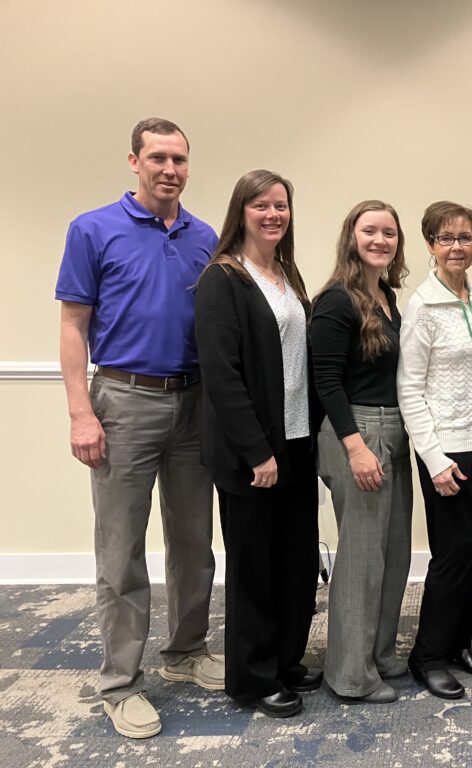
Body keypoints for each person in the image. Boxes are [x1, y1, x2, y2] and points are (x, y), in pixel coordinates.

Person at [55, 118, 221, 739]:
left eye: (179, 159)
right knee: (121, 549)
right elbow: (73, 325)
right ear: (134, 161)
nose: (169, 169)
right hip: (123, 401)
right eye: (158, 158)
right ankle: (121, 683)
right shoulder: (93, 229)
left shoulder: (205, 236)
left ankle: (186, 652)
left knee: (194, 541)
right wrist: (81, 411)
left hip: (194, 402)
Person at [194, 169, 321, 718]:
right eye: (261, 205)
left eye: (281, 205)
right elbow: (221, 375)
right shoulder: (223, 278)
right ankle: (253, 677)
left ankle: (286, 660)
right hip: (254, 452)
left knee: (296, 561)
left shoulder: (286, 274)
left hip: (296, 441)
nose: (273, 214)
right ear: (241, 212)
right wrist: (256, 450)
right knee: (255, 568)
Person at [397, 201, 472, 699]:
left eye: (465, 237)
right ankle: (427, 656)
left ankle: (460, 640)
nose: (457, 246)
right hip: (449, 450)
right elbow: (408, 389)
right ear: (430, 245)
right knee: (453, 553)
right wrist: (435, 459)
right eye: (447, 238)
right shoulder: (422, 307)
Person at [311, 200, 412, 704]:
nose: (380, 240)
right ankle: (350, 675)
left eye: (389, 233)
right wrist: (355, 448)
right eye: (369, 231)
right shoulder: (337, 300)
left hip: (394, 429)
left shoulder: (387, 296)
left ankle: (379, 652)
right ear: (351, 237)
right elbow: (326, 380)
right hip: (356, 431)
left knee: (394, 554)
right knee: (361, 560)